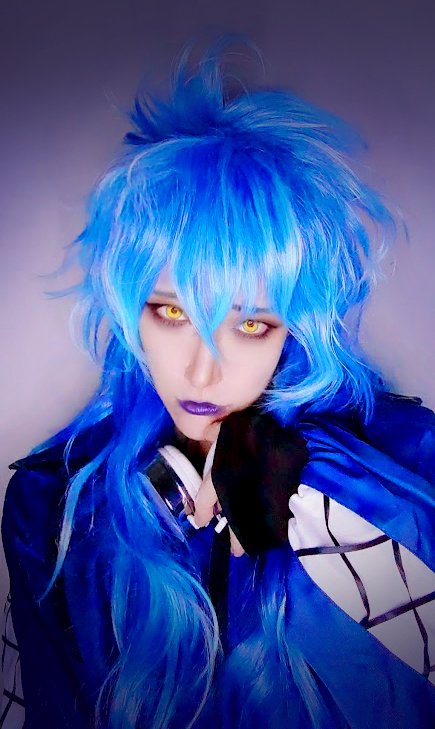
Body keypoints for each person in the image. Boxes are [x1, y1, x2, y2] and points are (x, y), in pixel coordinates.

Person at [1, 40, 435, 729]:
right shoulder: (53, 508)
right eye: (171, 314)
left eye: (251, 324)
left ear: (294, 330)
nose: (203, 372)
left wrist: (318, 497)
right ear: (129, 311)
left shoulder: (402, 457)